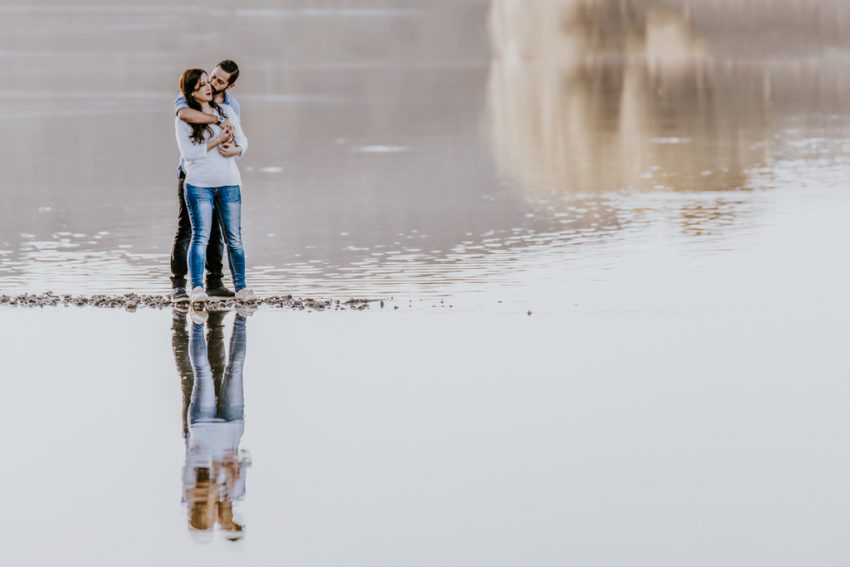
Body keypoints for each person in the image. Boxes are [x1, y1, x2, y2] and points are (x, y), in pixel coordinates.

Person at [175, 67, 255, 304]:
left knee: (234, 238)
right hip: (198, 183)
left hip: (229, 182)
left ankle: (240, 288)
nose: (209, 85)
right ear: (191, 91)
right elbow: (190, 153)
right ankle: (194, 288)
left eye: (211, 83)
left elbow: (243, 141)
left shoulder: (230, 109)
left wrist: (237, 149)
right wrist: (217, 139)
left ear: (229, 85)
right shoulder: (185, 111)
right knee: (198, 236)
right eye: (203, 83)